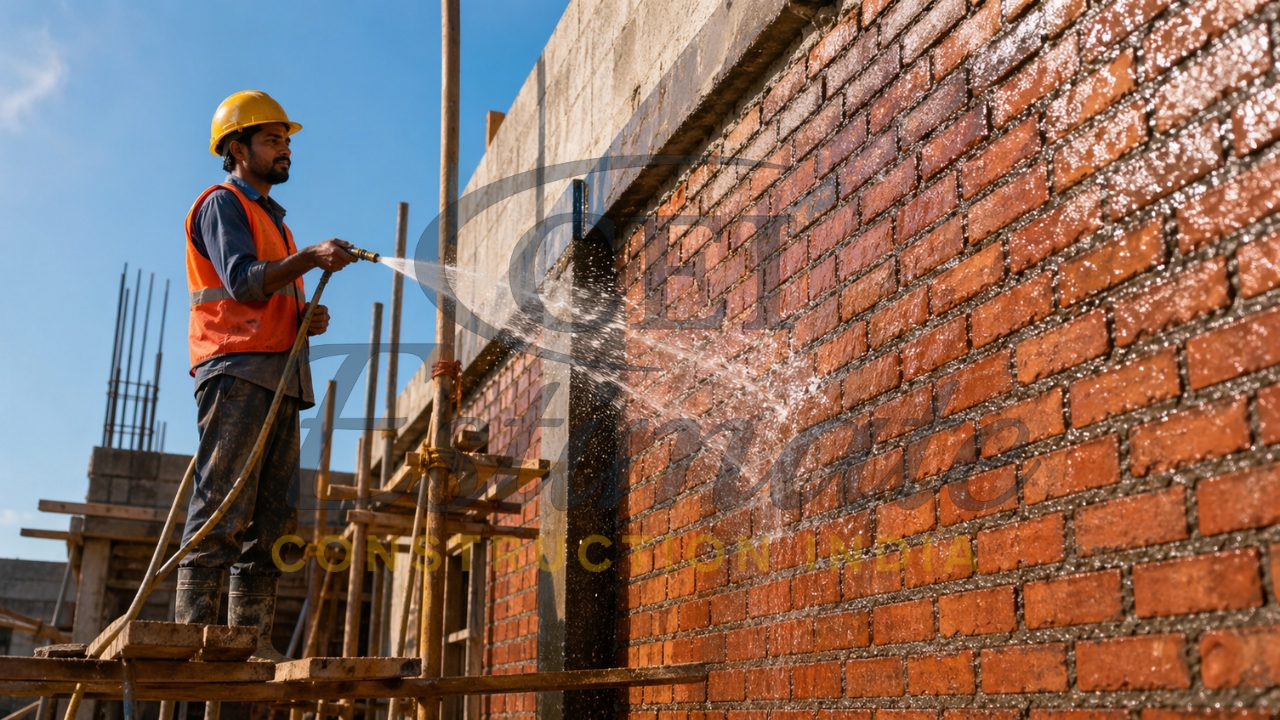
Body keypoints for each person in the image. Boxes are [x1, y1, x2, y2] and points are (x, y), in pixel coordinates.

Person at [176, 90, 353, 661]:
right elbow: (244, 280)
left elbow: (267, 296)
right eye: (273, 140)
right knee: (222, 500)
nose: (285, 151)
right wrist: (310, 259)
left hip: (278, 374)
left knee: (274, 518)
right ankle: (192, 634)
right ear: (236, 147)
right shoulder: (222, 204)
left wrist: (306, 316)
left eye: (287, 142)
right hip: (237, 369)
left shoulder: (272, 219)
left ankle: (248, 639)